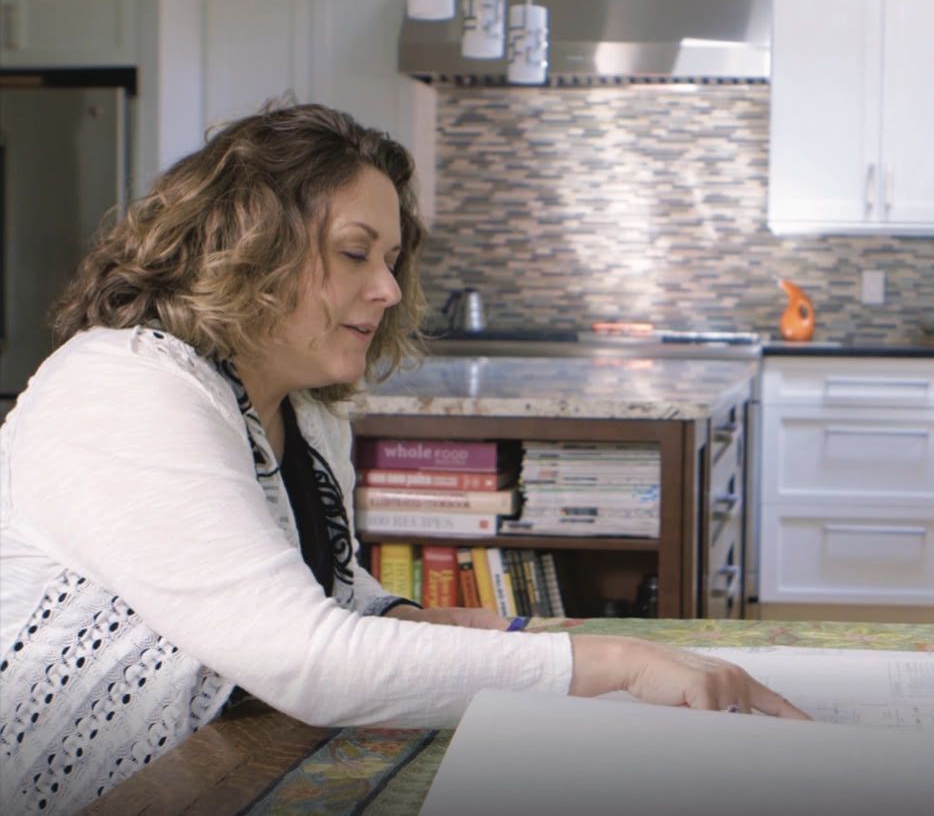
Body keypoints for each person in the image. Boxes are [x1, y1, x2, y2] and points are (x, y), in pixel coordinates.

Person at [0, 104, 807, 814]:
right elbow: (305, 657)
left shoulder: (302, 410)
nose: (387, 289)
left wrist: (399, 616)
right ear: (246, 247)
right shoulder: (126, 387)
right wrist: (618, 662)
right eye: (357, 253)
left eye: (391, 258)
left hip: (218, 772)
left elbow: (316, 588)